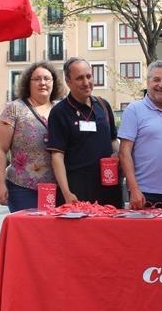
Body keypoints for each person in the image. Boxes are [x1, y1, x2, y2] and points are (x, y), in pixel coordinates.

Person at [46, 57, 122, 207]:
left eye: (89, 76)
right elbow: (57, 155)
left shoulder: (103, 105)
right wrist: (66, 192)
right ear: (68, 82)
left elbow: (113, 140)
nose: (86, 82)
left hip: (109, 188)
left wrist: (119, 156)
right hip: (78, 189)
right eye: (80, 78)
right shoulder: (59, 112)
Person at [0, 61, 64, 212]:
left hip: (59, 188)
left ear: (54, 83)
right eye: (37, 79)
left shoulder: (61, 108)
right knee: (28, 232)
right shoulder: (14, 109)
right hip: (23, 188)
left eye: (47, 78)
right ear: (27, 83)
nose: (42, 83)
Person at [119, 60, 162, 209]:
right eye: (156, 79)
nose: (161, 85)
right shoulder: (134, 110)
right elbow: (124, 153)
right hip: (145, 193)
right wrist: (134, 189)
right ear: (148, 81)